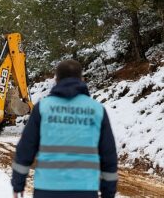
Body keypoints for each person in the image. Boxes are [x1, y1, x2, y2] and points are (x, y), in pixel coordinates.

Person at [11, 60, 118, 198]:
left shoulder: (43, 108)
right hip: (85, 190)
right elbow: (108, 156)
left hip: (47, 190)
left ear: (56, 79)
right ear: (82, 79)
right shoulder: (96, 110)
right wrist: (108, 193)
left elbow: (25, 149)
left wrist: (18, 185)